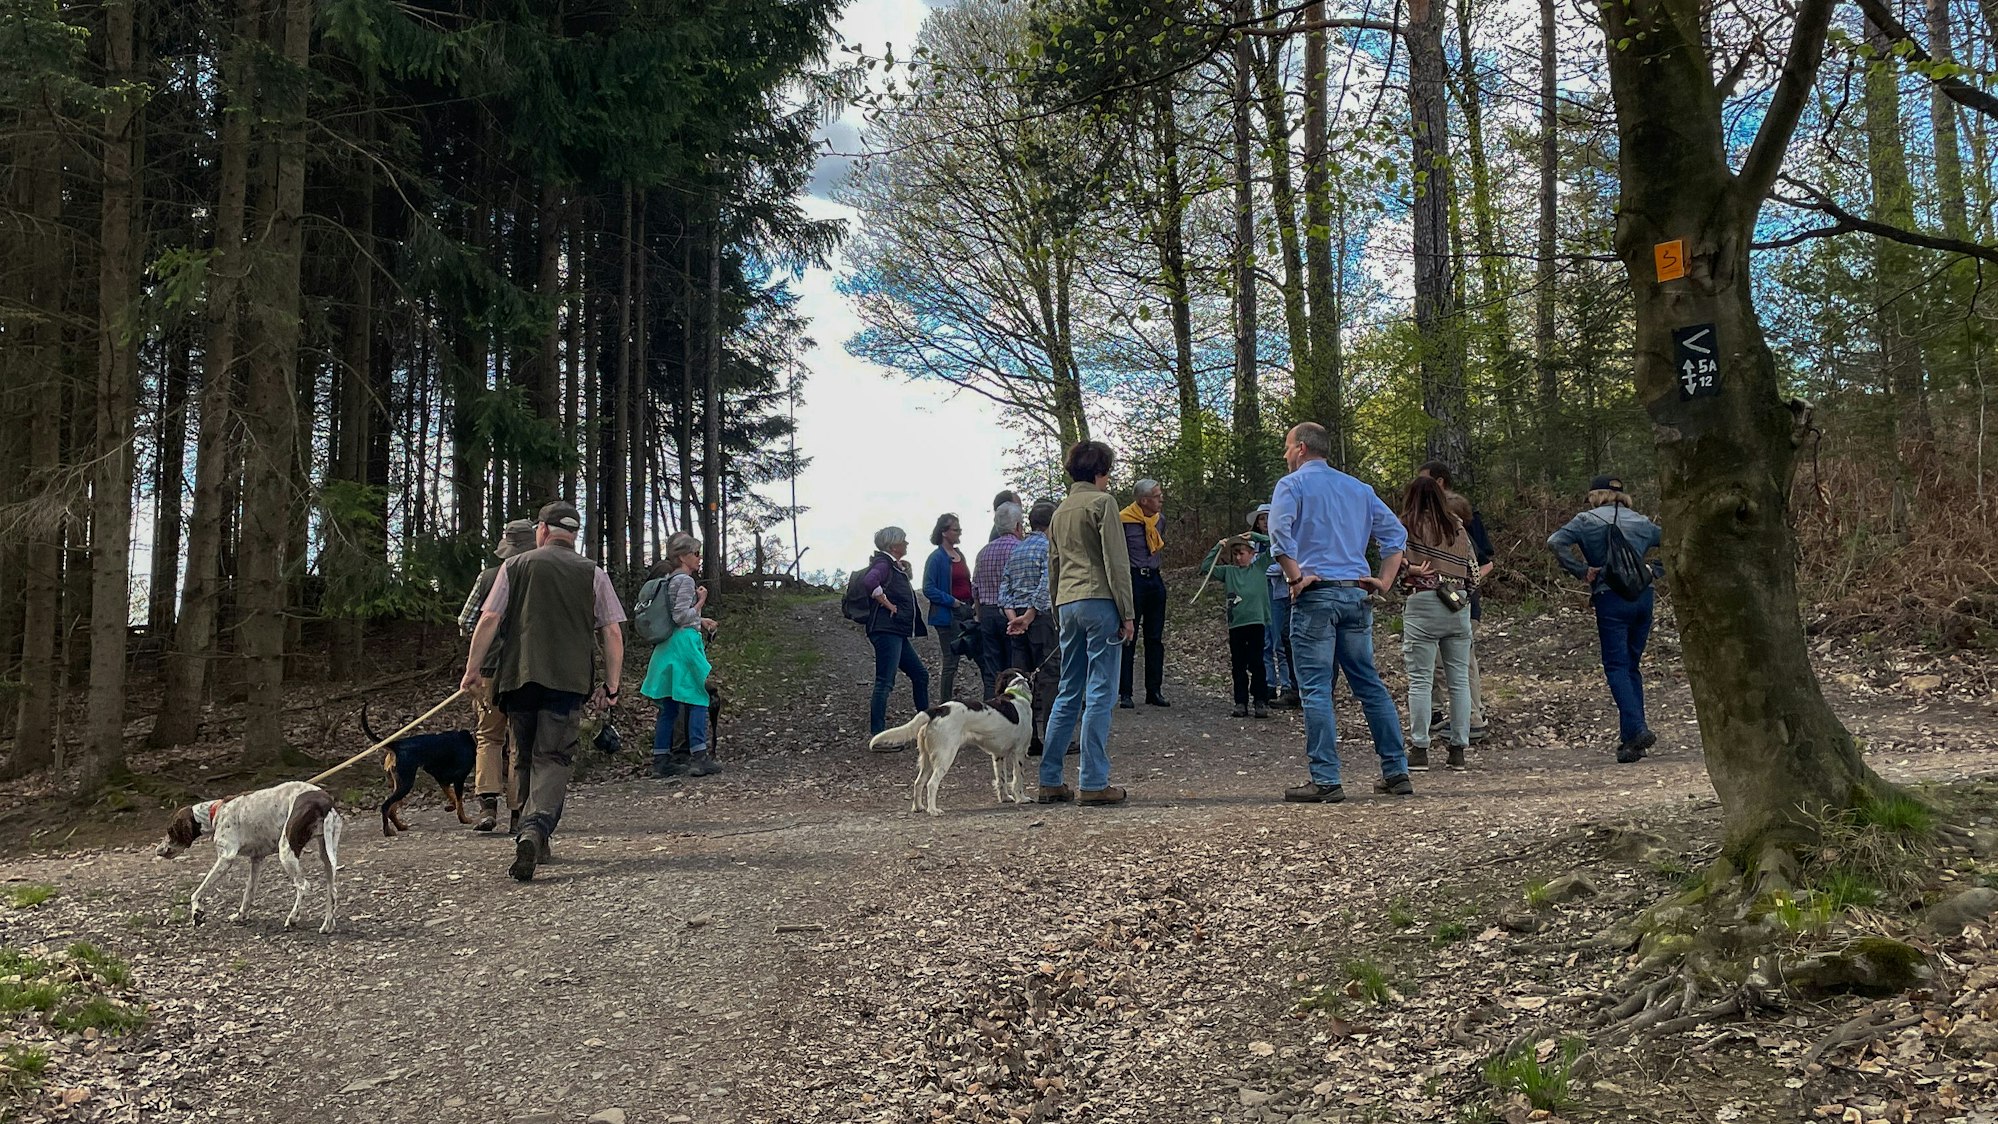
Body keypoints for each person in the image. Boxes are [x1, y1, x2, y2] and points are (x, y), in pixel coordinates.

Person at [460, 501, 625, 882]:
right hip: (567, 683)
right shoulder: (592, 573)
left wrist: (472, 669)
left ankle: (531, 835)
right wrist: (612, 686)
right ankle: (535, 830)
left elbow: (488, 618)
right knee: (552, 757)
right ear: (573, 534)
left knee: (524, 755)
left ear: (543, 530)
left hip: (518, 678)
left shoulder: (514, 566)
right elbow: (612, 632)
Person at [1269, 423, 1410, 803]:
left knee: (1316, 689)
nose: (1285, 456)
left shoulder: (1292, 485)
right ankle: (1396, 771)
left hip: (1317, 594)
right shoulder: (1359, 489)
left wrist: (1295, 577)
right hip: (1355, 594)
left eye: (1286, 448)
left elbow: (1279, 534)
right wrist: (1384, 581)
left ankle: (1326, 778)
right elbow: (1396, 535)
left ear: (1300, 448)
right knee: (1369, 684)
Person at [1037, 441, 1135, 806]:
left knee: (1068, 689)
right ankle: (1094, 780)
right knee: (1101, 691)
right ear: (1100, 472)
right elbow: (1116, 561)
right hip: (1100, 600)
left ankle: (1050, 778)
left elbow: (1054, 565)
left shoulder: (1059, 511)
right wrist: (1127, 613)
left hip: (1067, 603)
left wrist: (1056, 605)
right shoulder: (1102, 503)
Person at [1548, 474, 1665, 764]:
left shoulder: (1586, 521)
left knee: (1616, 666)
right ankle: (1632, 744)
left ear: (1594, 495)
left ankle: (1638, 728)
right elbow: (1674, 543)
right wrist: (1654, 570)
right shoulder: (1641, 522)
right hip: (1643, 595)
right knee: (1631, 666)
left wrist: (1581, 570)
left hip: (1609, 596)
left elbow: (1555, 542)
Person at [456, 519, 536, 833]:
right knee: (519, 741)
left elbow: (466, 621)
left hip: (488, 669)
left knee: (488, 736)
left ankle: (488, 805)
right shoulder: (537, 578)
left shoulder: (488, 576)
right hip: (524, 669)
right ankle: (518, 812)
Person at [1397, 476, 1476, 773]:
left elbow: (1395, 560)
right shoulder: (1456, 525)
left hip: (1423, 603)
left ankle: (1420, 748)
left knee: (1420, 679)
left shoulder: (1406, 524)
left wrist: (1411, 568)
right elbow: (1472, 569)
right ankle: (1458, 750)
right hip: (1456, 604)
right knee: (1458, 681)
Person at [1417, 461, 1495, 741]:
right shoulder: (1429, 523)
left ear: (1439, 483)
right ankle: (1449, 717)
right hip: (1446, 601)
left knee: (1461, 665)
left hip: (1457, 603)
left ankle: (1472, 719)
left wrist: (1462, 587)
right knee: (1443, 665)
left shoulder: (1459, 522)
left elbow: (1483, 563)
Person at [640, 533, 720, 780]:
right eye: (696, 554)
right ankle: (699, 757)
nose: (699, 558)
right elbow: (681, 617)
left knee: (669, 705)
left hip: (667, 645)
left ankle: (661, 759)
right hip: (684, 645)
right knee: (697, 697)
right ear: (682, 556)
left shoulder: (668, 579)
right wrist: (701, 602)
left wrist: (701, 619)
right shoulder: (684, 581)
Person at [862, 526, 931, 740]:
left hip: (894, 631)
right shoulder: (883, 563)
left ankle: (926, 727)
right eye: (904, 540)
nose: (907, 543)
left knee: (920, 674)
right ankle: (878, 735)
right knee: (885, 681)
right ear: (893, 545)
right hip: (886, 630)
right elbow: (869, 581)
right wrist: (888, 605)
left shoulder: (891, 565)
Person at [1000, 500, 1058, 755]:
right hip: (1040, 620)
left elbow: (1005, 588)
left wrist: (1014, 617)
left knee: (1022, 680)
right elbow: (1048, 583)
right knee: (1050, 679)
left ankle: (1029, 739)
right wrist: (1030, 615)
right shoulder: (1049, 548)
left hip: (1017, 625)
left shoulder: (1017, 550)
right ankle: (1056, 738)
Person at [1198, 534, 1273, 719]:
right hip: (1237, 624)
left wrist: (1255, 536)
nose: (1238, 558)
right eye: (1235, 554)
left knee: (1257, 662)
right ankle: (1241, 702)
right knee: (1238, 664)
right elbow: (1206, 568)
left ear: (1252, 553)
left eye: (1241, 553)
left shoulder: (1260, 567)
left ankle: (1260, 701)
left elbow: (1275, 544)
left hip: (1256, 622)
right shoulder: (1229, 572)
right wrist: (1218, 547)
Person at [1118, 479, 1170, 708]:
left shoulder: (1160, 520)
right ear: (1143, 500)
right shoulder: (1123, 521)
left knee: (1155, 638)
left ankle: (1154, 690)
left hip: (1155, 579)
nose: (1161, 499)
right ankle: (1125, 693)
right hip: (1133, 579)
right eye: (1157, 495)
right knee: (1129, 636)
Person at [971, 503, 1025, 699]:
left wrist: (979, 614)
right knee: (1015, 665)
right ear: (1018, 526)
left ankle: (991, 707)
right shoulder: (1020, 549)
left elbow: (975, 588)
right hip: (1013, 614)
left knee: (992, 667)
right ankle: (1014, 709)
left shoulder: (983, 552)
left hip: (987, 613)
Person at [922, 513, 976, 699]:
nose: (959, 532)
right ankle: (944, 703)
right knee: (951, 660)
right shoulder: (936, 558)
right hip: (948, 614)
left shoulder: (959, 555)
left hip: (966, 611)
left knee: (975, 653)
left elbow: (966, 581)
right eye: (956, 529)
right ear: (944, 532)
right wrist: (951, 601)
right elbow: (928, 588)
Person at [1250, 504, 1298, 708]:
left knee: (1280, 640)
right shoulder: (1253, 543)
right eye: (1261, 519)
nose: (1265, 523)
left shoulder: (1282, 539)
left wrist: (1268, 567)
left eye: (1268, 518)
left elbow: (1281, 567)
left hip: (1279, 595)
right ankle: (1269, 684)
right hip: (1261, 595)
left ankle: (1287, 686)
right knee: (1265, 641)